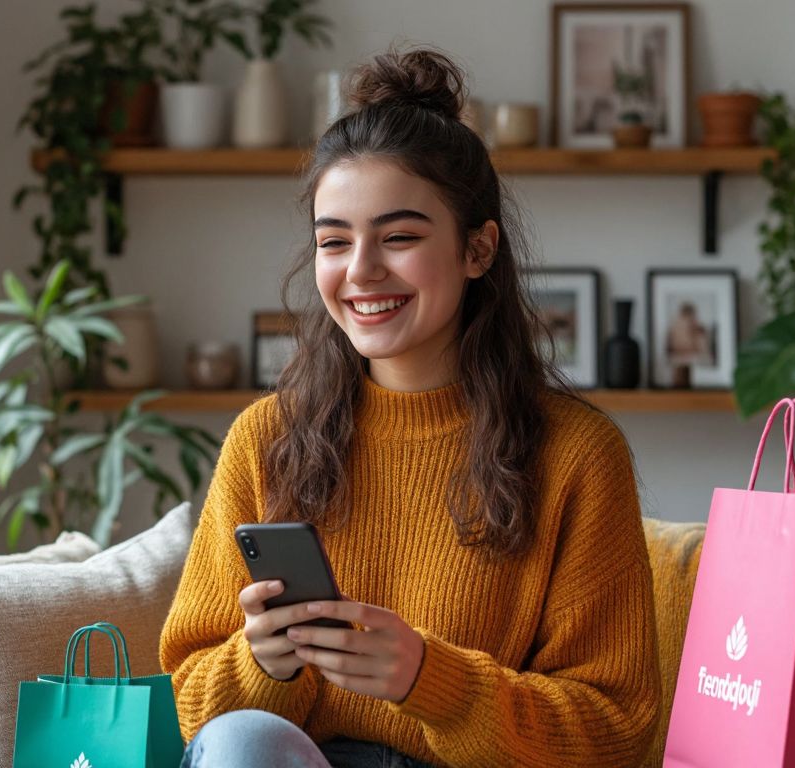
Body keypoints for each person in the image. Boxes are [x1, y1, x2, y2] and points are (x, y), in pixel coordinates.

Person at [159, 45, 661, 768]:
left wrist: (433, 681)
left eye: (398, 237)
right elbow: (192, 710)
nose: (361, 270)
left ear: (478, 249)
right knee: (242, 739)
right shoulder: (265, 438)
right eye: (335, 241)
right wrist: (263, 664)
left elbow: (615, 728)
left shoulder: (576, 453)